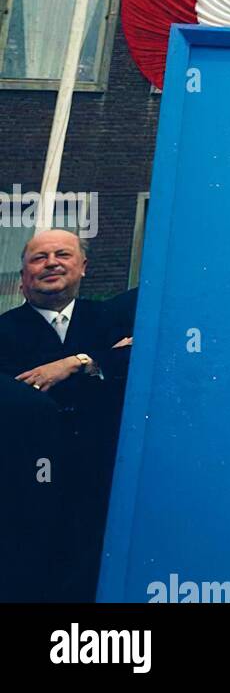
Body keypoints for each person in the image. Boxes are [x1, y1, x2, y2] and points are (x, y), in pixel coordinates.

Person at [0, 229, 136, 599]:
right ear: (24, 273)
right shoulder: (3, 331)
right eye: (39, 258)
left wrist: (76, 363)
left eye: (62, 254)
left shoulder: (112, 319)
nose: (52, 263)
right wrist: (106, 360)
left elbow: (142, 358)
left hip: (103, 480)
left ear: (84, 266)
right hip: (31, 486)